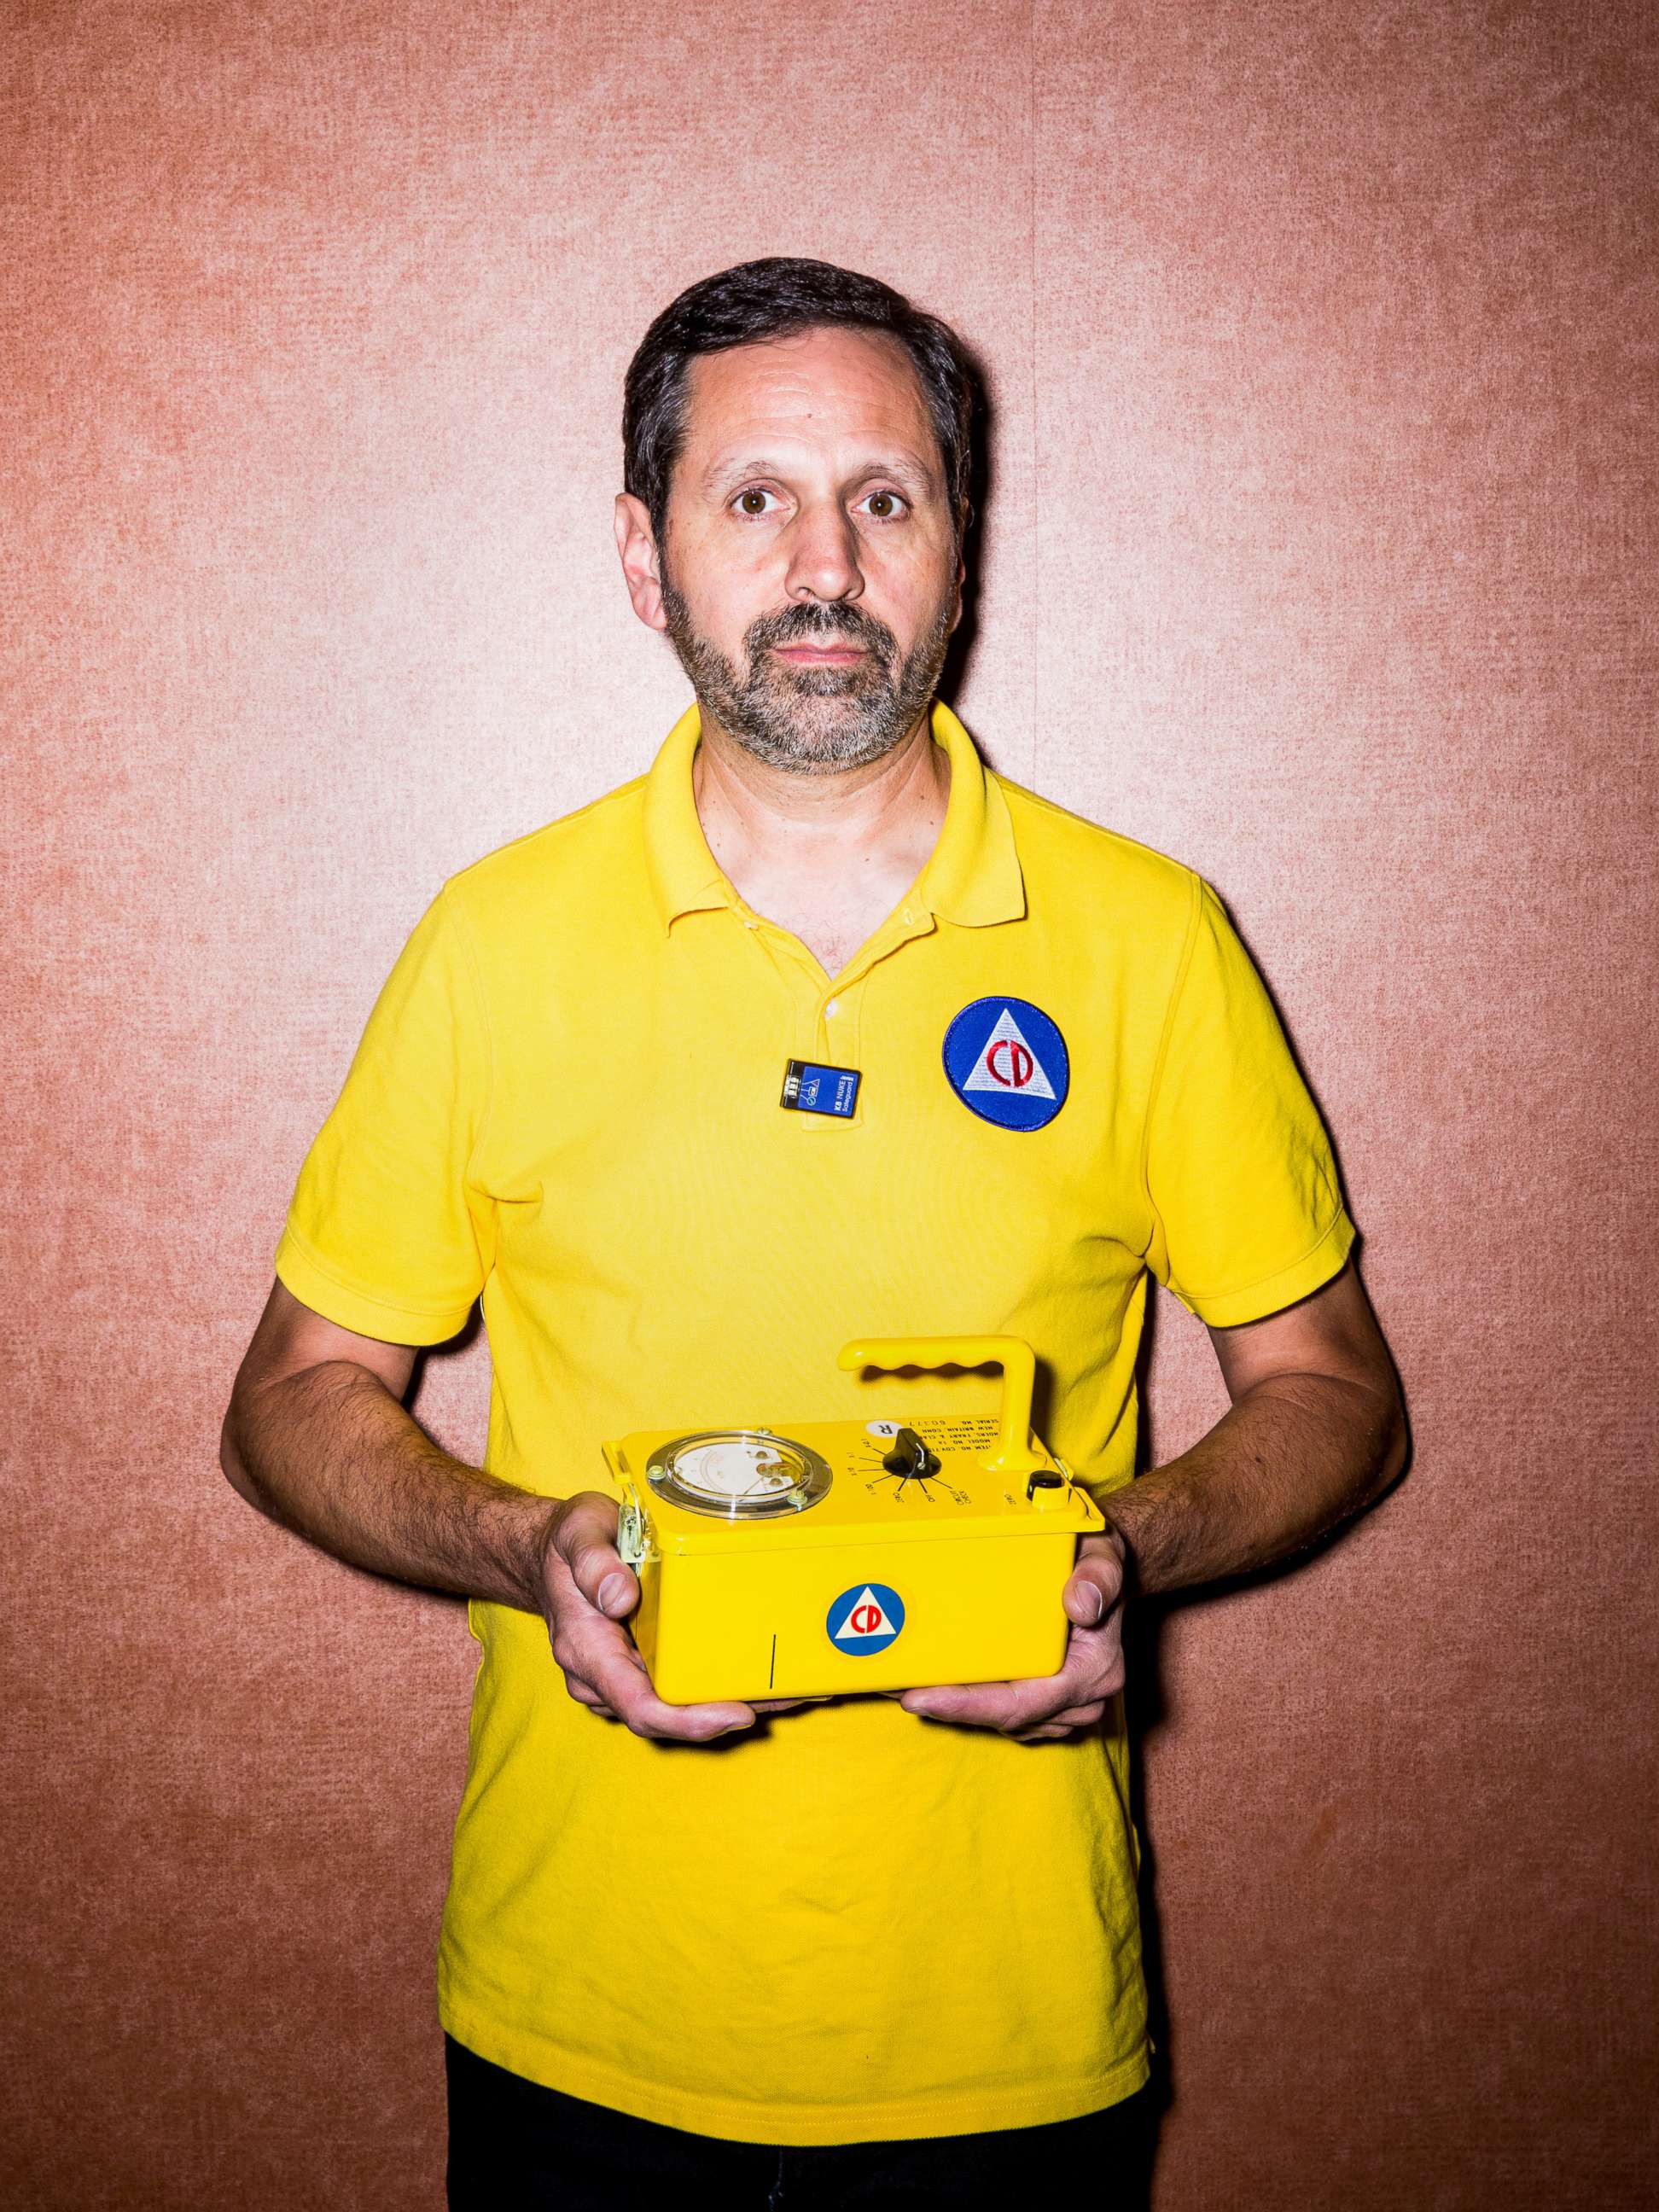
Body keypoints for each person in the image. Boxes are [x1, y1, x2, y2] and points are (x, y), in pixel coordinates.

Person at [222, 257, 1406, 2209]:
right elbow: (293, 1395)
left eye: (886, 497)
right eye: (753, 497)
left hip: (1009, 2045)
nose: (825, 564)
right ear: (645, 550)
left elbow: (1335, 1388)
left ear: (961, 545)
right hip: (580, 2018)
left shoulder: (1152, 941)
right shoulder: (491, 945)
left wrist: (1117, 1547)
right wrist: (518, 1550)